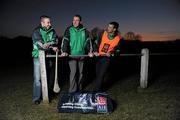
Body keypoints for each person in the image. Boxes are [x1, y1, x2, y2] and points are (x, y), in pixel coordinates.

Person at [61, 15, 93, 93]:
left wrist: (90, 51)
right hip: (72, 55)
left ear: (80, 21)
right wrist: (64, 51)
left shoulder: (85, 31)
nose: (75, 22)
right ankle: (72, 91)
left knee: (81, 74)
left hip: (82, 55)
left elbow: (88, 42)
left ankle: (80, 89)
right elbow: (65, 40)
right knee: (73, 73)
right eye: (73, 20)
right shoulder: (69, 29)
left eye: (77, 20)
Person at [32, 15, 58, 104]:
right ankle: (36, 98)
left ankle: (45, 96)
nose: (50, 24)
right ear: (42, 23)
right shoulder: (36, 31)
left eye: (50, 22)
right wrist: (49, 45)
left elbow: (55, 40)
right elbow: (40, 43)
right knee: (38, 79)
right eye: (48, 22)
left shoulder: (52, 31)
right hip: (38, 57)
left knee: (47, 77)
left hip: (48, 56)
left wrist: (52, 46)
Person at [93, 21, 121, 92]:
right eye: (108, 26)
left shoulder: (117, 39)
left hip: (106, 59)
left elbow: (118, 51)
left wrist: (111, 53)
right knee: (98, 75)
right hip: (98, 57)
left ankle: (96, 92)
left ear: (114, 29)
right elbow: (95, 43)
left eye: (110, 27)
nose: (108, 28)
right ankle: (99, 89)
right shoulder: (103, 33)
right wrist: (95, 50)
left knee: (101, 75)